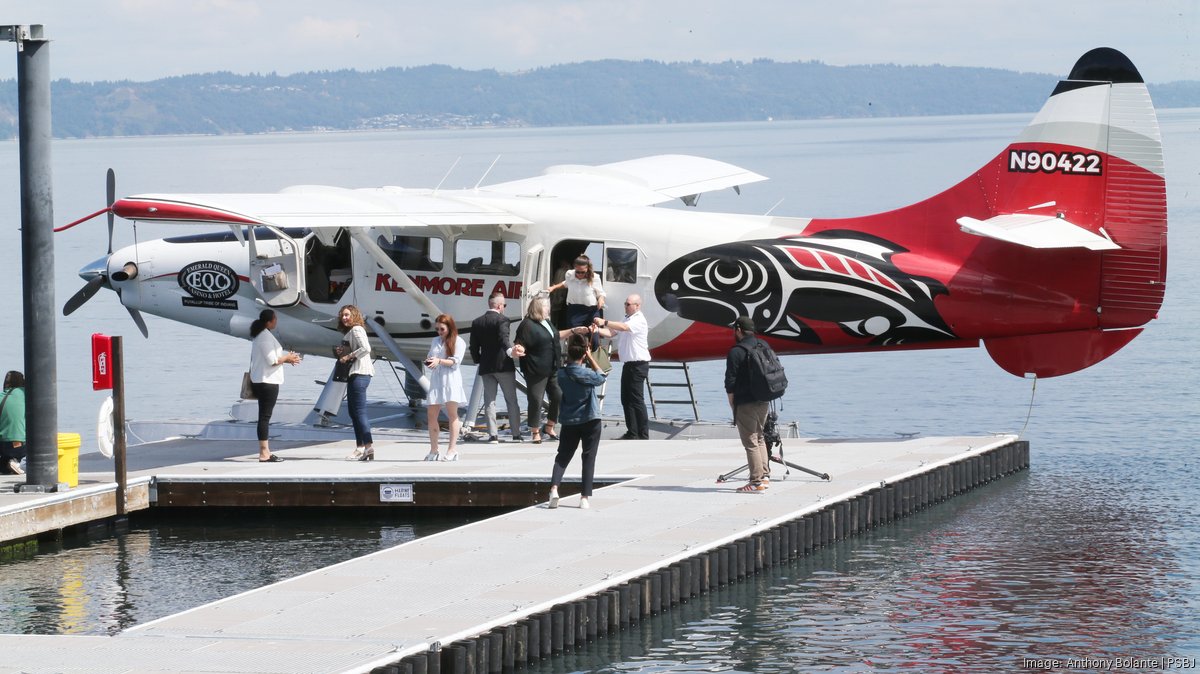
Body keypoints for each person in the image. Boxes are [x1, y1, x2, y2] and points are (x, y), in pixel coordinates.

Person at [512, 296, 585, 444]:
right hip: (535, 369)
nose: (549, 309)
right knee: (536, 399)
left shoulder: (546, 322)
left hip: (552, 367)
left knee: (559, 395)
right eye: (546, 307)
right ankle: (535, 430)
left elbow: (556, 336)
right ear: (538, 308)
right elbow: (520, 343)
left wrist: (572, 331)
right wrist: (518, 349)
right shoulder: (527, 324)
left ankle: (550, 425)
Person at [547, 334, 607, 510]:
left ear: (568, 352)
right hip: (590, 419)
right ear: (583, 353)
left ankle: (554, 488)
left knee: (563, 456)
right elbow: (602, 376)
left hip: (569, 420)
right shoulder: (587, 373)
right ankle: (584, 498)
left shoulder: (561, 374)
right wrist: (591, 358)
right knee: (588, 457)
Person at [725, 316, 772, 493]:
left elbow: (730, 382)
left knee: (750, 441)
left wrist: (732, 404)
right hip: (764, 399)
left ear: (738, 330)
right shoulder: (763, 345)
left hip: (745, 401)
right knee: (759, 437)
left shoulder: (736, 351)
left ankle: (755, 482)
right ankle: (765, 477)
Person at [593, 293, 651, 440]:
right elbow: (612, 332)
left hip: (639, 365)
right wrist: (596, 330)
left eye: (628, 304)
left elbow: (624, 328)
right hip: (629, 365)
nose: (625, 306)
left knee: (636, 399)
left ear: (637, 306)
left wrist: (604, 322)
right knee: (626, 399)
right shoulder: (627, 318)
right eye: (625, 303)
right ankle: (632, 432)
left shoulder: (639, 320)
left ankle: (643, 434)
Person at [469, 292, 523, 443]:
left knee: (489, 401)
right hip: (504, 365)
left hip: (486, 366)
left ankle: (493, 435)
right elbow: (503, 339)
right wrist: (510, 352)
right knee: (511, 400)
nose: (504, 308)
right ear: (499, 305)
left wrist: (478, 360)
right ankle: (516, 434)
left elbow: (473, 346)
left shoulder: (477, 322)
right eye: (504, 305)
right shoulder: (503, 320)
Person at [249, 309, 302, 462]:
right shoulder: (264, 337)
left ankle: (265, 451)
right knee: (264, 417)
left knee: (263, 416)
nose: (276, 321)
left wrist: (287, 358)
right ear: (269, 321)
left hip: (263, 380)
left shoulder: (261, 335)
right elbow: (272, 360)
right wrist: (287, 357)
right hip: (267, 381)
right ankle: (264, 453)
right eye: (275, 319)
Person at [425, 314, 468, 461]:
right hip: (437, 380)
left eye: (442, 329)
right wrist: (430, 361)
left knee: (452, 414)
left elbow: (455, 362)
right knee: (431, 414)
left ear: (449, 328)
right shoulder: (435, 340)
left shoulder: (458, 341)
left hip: (451, 380)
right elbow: (431, 356)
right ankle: (434, 449)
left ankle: (452, 449)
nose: (439, 332)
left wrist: (439, 361)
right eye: (437, 329)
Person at [336, 304, 376, 461]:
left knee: (359, 412)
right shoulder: (351, 331)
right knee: (354, 412)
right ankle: (361, 447)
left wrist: (348, 356)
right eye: (342, 315)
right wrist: (341, 352)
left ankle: (367, 447)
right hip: (356, 373)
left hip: (360, 373)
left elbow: (366, 348)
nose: (344, 318)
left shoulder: (357, 329)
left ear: (354, 315)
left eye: (347, 315)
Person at [547, 254, 606, 347]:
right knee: (575, 339)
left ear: (588, 269)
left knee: (594, 338)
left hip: (591, 311)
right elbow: (566, 283)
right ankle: (576, 358)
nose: (579, 275)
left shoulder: (594, 277)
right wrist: (554, 287)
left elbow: (601, 293)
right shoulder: (570, 274)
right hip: (575, 310)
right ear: (574, 268)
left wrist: (601, 300)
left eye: (582, 272)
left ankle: (593, 358)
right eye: (577, 272)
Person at [0, 371, 26, 475]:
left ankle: (8, 463)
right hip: (18, 445)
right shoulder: (26, 395)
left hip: (2, 445)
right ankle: (15, 461)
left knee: (4, 468)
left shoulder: (2, 396)